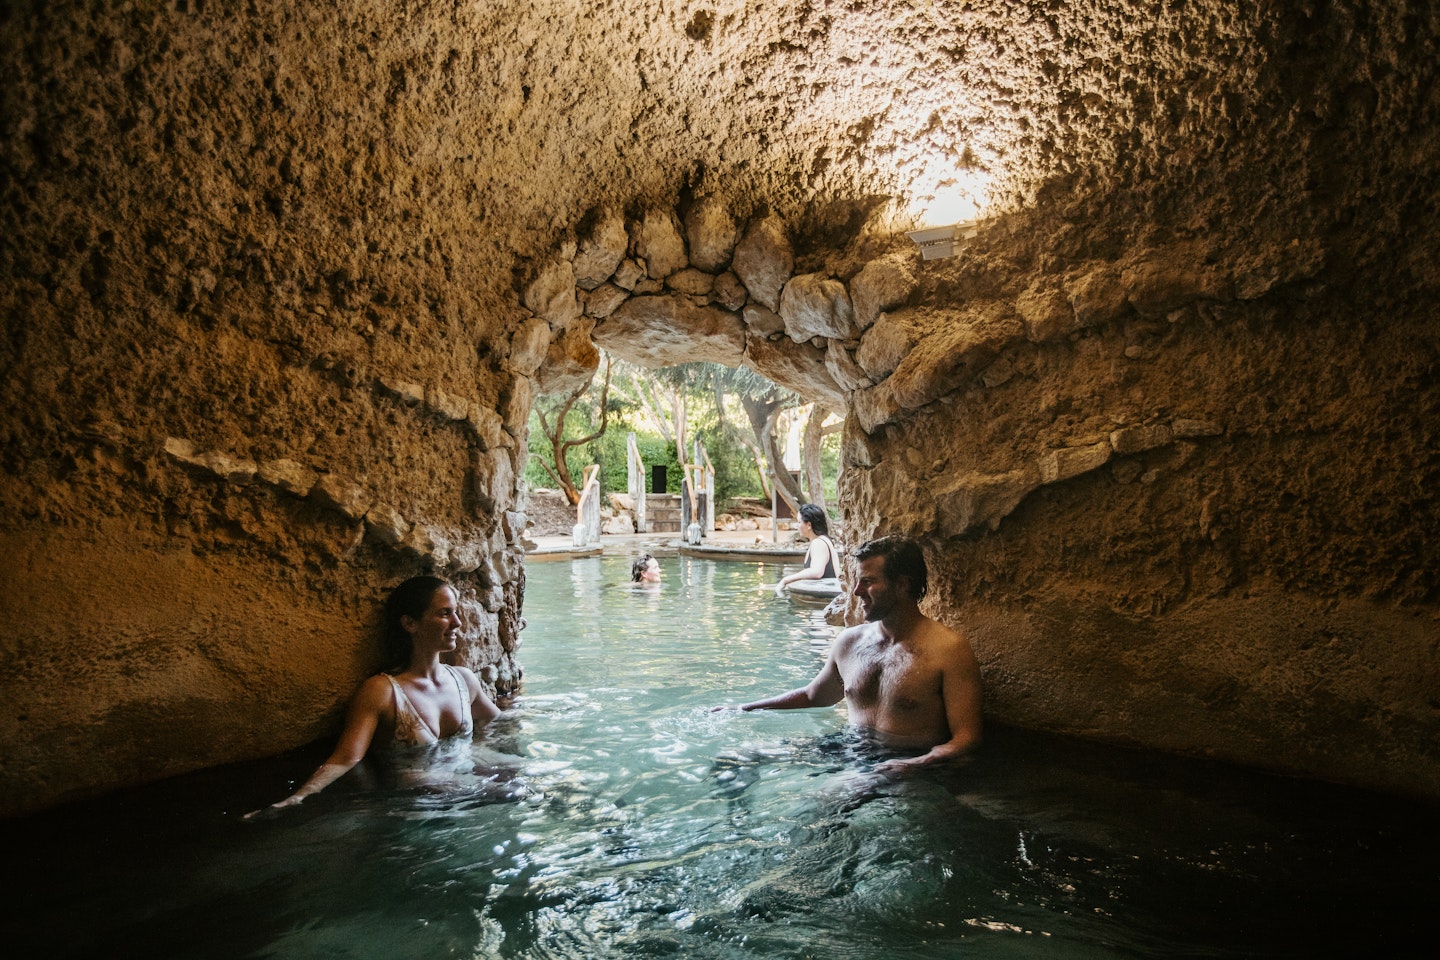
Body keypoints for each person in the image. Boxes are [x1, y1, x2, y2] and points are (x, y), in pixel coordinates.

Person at [246, 575, 504, 817]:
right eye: (444, 613)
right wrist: (298, 797)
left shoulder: (463, 680)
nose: (457, 623)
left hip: (465, 784)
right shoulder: (382, 691)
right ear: (409, 623)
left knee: (527, 780)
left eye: (455, 612)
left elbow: (501, 724)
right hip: (419, 808)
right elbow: (346, 758)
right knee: (514, 793)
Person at [723, 535, 982, 776]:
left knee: (827, 799)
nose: (856, 591)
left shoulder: (948, 650)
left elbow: (967, 738)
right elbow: (814, 695)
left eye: (868, 582)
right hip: (848, 744)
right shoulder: (850, 642)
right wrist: (744, 708)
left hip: (904, 759)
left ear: (902, 585)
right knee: (734, 760)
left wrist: (919, 763)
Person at [774, 503, 840, 597]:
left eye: (799, 522)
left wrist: (786, 579)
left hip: (823, 604)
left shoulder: (819, 543)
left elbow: (816, 572)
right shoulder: (823, 540)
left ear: (809, 525)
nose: (797, 526)